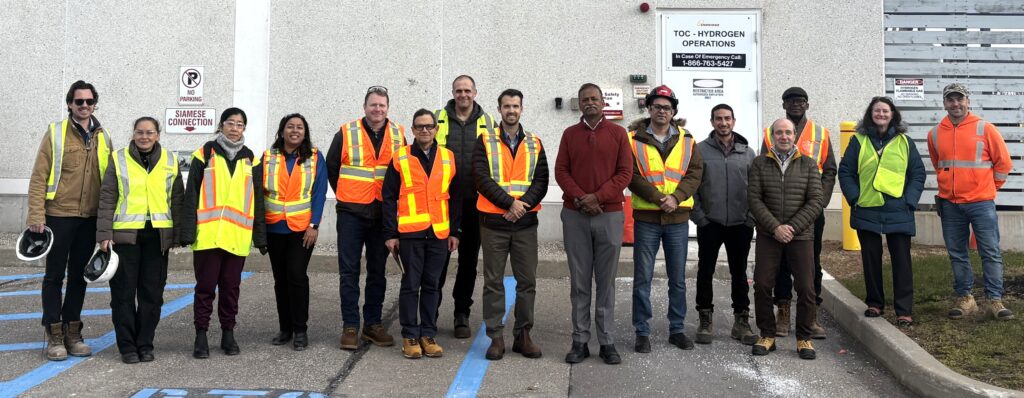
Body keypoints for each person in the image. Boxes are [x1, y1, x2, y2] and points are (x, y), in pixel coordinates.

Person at [28, 80, 113, 361]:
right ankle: (53, 334)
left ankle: (72, 332)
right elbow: (39, 176)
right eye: (79, 102)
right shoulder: (55, 133)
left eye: (89, 102)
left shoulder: (104, 137)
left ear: (94, 104)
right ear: (69, 104)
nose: (85, 106)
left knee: (79, 277)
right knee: (54, 276)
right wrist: (36, 215)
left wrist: (105, 223)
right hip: (58, 216)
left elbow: (110, 184)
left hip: (88, 219)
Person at [180, 107, 267, 359]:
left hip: (237, 237)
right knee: (205, 288)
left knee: (230, 289)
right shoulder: (204, 154)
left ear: (244, 129)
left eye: (240, 124)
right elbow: (191, 195)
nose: (234, 128)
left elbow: (257, 200)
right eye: (230, 123)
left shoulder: (252, 159)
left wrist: (260, 238)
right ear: (221, 125)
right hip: (207, 236)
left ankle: (228, 334)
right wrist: (187, 232)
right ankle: (201, 336)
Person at [555, 83, 633, 365]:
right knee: (579, 282)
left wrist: (598, 197)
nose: (590, 103)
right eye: (585, 99)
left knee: (606, 281)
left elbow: (625, 173)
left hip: (609, 214)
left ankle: (607, 341)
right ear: (580, 103)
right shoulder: (569, 135)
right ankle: (580, 341)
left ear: (603, 102)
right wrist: (581, 199)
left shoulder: (618, 134)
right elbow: (561, 171)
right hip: (575, 215)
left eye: (595, 99)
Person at [96, 116, 184, 363]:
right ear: (133, 134)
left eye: (149, 132)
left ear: (158, 135)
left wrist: (176, 234)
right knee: (123, 294)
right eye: (139, 132)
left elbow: (177, 199)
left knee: (152, 294)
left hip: (157, 237)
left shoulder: (170, 160)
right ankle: (127, 346)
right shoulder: (119, 158)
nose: (144, 137)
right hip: (124, 238)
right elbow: (107, 197)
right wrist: (103, 234)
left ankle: (145, 343)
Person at [326, 86, 405, 350]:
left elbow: (403, 171)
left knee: (377, 271)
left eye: (382, 105)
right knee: (349, 271)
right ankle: (350, 326)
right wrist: (347, 195)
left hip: (382, 213)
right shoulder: (346, 132)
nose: (378, 109)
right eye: (373, 105)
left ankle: (372, 324)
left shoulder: (398, 134)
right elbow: (333, 167)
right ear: (365, 107)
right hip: (351, 213)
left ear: (387, 108)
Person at [626, 85, 703, 353]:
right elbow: (630, 175)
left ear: (674, 111)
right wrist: (659, 198)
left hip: (678, 218)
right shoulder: (632, 139)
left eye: (667, 107)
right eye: (657, 106)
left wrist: (676, 198)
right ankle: (642, 331)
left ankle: (677, 329)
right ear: (649, 109)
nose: (662, 111)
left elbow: (694, 173)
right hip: (647, 218)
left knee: (678, 278)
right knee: (642, 278)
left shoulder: (687, 139)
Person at [927, 83, 1014, 321]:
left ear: (967, 101)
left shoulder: (985, 128)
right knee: (957, 253)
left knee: (990, 251)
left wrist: (988, 188)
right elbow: (939, 165)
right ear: (944, 103)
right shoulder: (935, 133)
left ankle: (994, 300)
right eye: (950, 100)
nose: (955, 104)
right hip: (950, 204)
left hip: (981, 203)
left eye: (959, 99)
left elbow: (1003, 164)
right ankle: (965, 298)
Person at [475, 89, 549, 360]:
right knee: (493, 282)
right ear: (499, 109)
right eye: (507, 106)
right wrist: (509, 204)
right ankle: (495, 337)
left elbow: (541, 180)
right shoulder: (485, 140)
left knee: (527, 281)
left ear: (522, 108)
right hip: (494, 223)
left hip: (525, 224)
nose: (511, 110)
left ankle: (523, 334)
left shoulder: (534, 142)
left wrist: (522, 206)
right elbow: (481, 178)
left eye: (516, 106)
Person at [838, 97, 925, 327]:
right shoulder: (858, 140)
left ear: (893, 114)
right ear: (870, 114)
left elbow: (917, 173)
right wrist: (854, 197)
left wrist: (910, 200)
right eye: (877, 111)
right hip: (867, 207)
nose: (881, 114)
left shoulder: (905, 142)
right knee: (871, 259)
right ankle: (875, 303)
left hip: (899, 209)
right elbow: (845, 171)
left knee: (902, 261)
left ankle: (904, 310)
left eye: (885, 111)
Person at [383, 109, 462, 359]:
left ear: (436, 129)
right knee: (410, 286)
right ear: (413, 130)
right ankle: (409, 335)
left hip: (439, 233)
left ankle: (428, 334)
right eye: (420, 127)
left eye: (429, 126)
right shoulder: (401, 157)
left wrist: (455, 231)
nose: (425, 130)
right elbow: (388, 197)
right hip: (410, 234)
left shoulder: (449, 158)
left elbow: (456, 198)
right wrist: (390, 233)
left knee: (432, 286)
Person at [762, 87, 836, 339]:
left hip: (810, 210)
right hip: (779, 212)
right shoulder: (771, 132)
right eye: (791, 101)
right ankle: (783, 311)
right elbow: (764, 170)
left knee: (811, 264)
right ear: (783, 104)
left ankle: (811, 316)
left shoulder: (821, 133)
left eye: (800, 101)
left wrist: (821, 201)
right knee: (782, 263)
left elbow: (829, 170)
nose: (796, 105)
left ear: (807, 104)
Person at [748, 118, 823, 360]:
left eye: (788, 132)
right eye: (779, 132)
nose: (784, 137)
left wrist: (791, 227)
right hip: (769, 235)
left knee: (806, 287)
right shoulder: (759, 164)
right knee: (762, 284)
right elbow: (754, 200)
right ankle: (767, 334)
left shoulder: (809, 165)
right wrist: (775, 227)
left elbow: (815, 202)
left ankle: (803, 338)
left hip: (801, 236)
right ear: (772, 136)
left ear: (794, 136)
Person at [434, 75, 497, 339]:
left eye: (467, 90)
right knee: (437, 260)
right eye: (458, 90)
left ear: (475, 92)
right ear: (452, 92)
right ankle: (430, 313)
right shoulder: (437, 118)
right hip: (441, 201)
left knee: (469, 261)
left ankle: (462, 313)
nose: (463, 95)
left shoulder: (488, 122)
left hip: (475, 201)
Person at [691, 104, 758, 345]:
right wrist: (699, 217)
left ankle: (741, 321)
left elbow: (756, 188)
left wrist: (751, 217)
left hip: (741, 223)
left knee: (739, 272)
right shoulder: (699, 150)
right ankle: (705, 319)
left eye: (727, 118)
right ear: (712, 122)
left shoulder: (748, 152)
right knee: (705, 270)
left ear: (734, 121)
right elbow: (693, 186)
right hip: (711, 222)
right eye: (718, 119)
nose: (723, 123)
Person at [263, 113, 327, 350]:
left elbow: (319, 192)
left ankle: (301, 329)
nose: (295, 131)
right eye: (290, 127)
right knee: (280, 280)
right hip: (274, 228)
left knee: (297, 276)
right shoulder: (268, 157)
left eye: (300, 127)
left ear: (305, 132)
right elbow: (258, 192)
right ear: (282, 131)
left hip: (302, 229)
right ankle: (285, 328)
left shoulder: (314, 157)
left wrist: (314, 225)